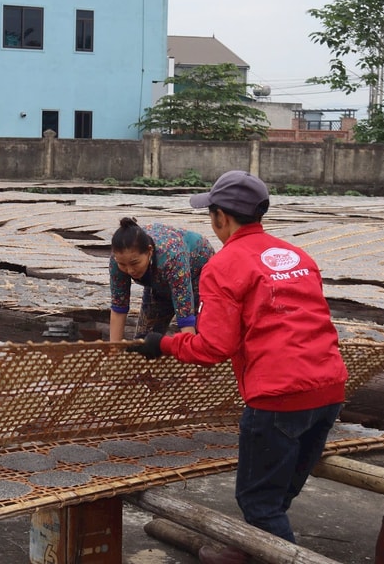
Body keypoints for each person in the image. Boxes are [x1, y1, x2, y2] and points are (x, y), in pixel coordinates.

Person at [129, 170, 348, 563]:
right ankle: (252, 549)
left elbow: (214, 346)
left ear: (220, 218)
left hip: (278, 397)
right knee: (279, 493)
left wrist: (161, 344)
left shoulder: (224, 265)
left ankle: (278, 552)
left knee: (259, 502)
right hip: (329, 391)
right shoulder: (298, 256)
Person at [109, 218, 214, 342]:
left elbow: (186, 317)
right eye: (123, 265)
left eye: (134, 263)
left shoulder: (172, 258)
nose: (130, 270)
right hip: (159, 281)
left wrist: (191, 354)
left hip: (198, 272)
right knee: (144, 342)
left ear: (149, 251)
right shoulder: (118, 261)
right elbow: (118, 307)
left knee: (202, 337)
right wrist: (113, 353)